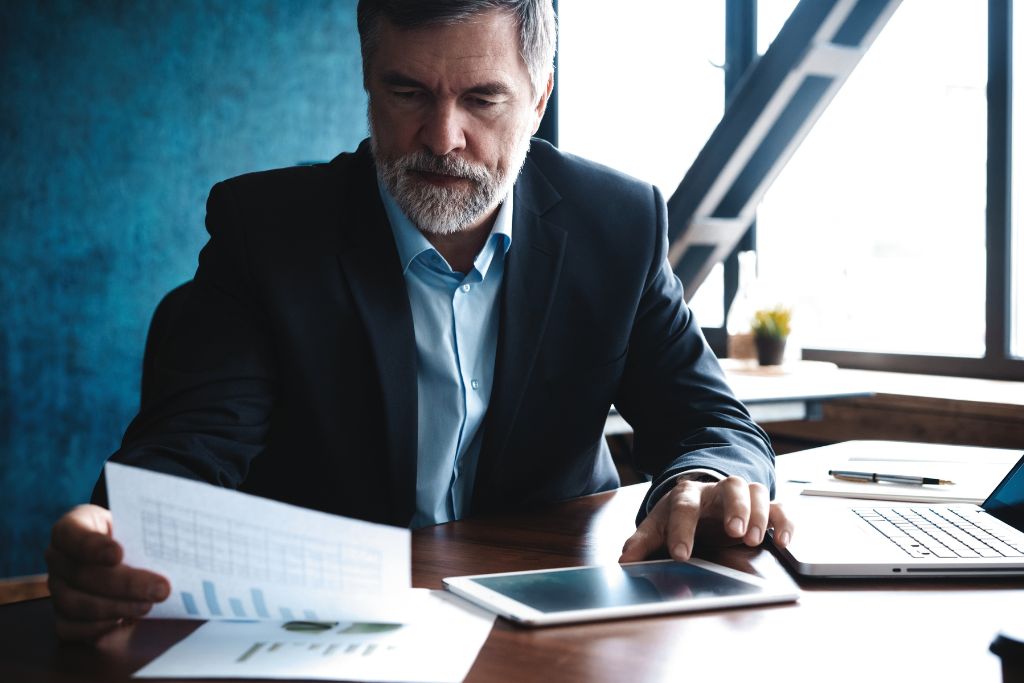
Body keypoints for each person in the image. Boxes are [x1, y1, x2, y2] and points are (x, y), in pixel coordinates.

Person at [45, 0, 793, 642]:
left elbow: (711, 420)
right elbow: (189, 445)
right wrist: (116, 537)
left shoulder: (618, 224)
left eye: (481, 99)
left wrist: (705, 476)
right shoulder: (267, 234)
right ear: (368, 83)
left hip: (558, 617)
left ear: (539, 98)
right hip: (333, 631)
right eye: (407, 92)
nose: (441, 138)